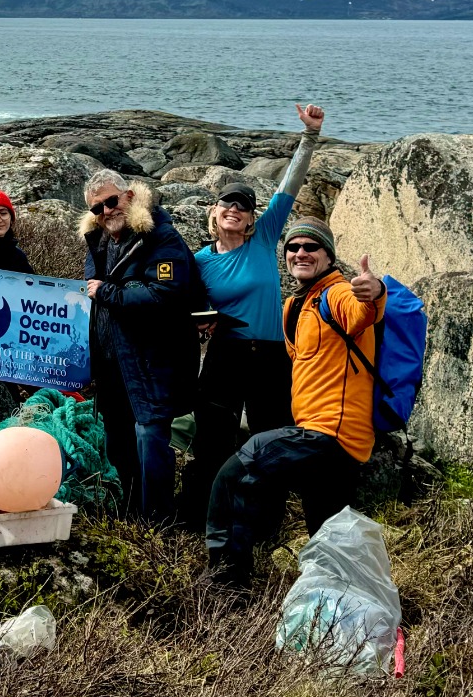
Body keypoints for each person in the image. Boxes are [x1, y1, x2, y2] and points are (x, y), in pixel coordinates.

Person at [205, 218, 387, 585]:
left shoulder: (337, 293)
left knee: (237, 473)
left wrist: (375, 290)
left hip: (330, 435)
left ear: (329, 256)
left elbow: (363, 311)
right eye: (293, 247)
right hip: (320, 436)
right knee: (328, 533)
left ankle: (226, 584)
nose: (300, 253)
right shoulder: (294, 307)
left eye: (311, 247)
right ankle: (338, 601)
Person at [178, 103, 325, 530]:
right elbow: (179, 300)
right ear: (215, 212)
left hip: (273, 357)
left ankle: (265, 525)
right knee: (213, 442)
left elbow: (289, 186)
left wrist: (310, 136)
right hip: (226, 354)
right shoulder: (199, 261)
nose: (236, 209)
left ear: (251, 219)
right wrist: (198, 320)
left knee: (271, 441)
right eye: (228, 203)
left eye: (244, 206)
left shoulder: (263, 239)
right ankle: (199, 518)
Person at [81, 169, 202, 522]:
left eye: (111, 201)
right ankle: (131, 511)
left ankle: (159, 521)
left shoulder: (160, 237)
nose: (106, 211)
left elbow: (164, 294)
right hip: (111, 362)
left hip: (151, 359)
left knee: (150, 439)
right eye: (97, 208)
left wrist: (108, 292)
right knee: (118, 438)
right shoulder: (100, 240)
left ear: (129, 197)